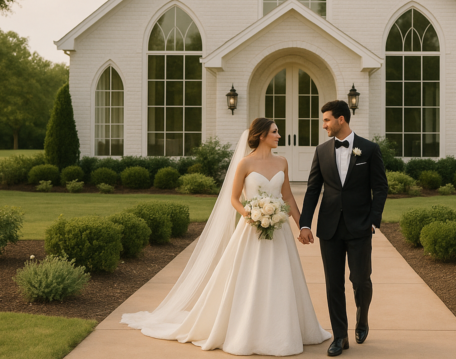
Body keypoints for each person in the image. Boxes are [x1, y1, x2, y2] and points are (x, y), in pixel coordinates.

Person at [121, 118, 331, 356]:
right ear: (261, 135)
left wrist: (302, 226)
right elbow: (233, 199)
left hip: (279, 233)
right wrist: (250, 215)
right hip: (251, 230)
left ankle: (282, 331)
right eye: (275, 131)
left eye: (278, 132)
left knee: (281, 277)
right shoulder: (245, 163)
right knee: (248, 280)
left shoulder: (282, 162)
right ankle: (246, 332)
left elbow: (288, 197)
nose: (279, 135)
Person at [298, 100, 388, 357]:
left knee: (360, 280)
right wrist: (305, 223)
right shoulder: (322, 151)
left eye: (326, 120)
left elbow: (380, 187)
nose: (323, 124)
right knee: (333, 284)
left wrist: (374, 218)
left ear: (341, 119)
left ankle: (362, 317)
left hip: (360, 226)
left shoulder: (369, 149)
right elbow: (313, 189)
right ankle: (340, 336)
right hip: (329, 228)